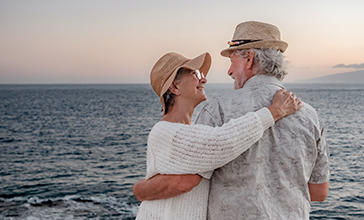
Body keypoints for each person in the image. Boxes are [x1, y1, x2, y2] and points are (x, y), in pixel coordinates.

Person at [134, 21, 330, 220]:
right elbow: (319, 193)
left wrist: (139, 190)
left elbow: (187, 180)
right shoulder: (310, 115)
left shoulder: (218, 110)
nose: (229, 71)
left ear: (249, 59)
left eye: (232, 60)